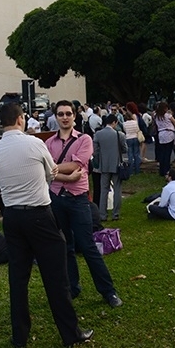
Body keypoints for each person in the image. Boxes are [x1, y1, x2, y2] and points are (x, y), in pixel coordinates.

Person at [0, 102, 94, 348]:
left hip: (12, 218)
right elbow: (51, 173)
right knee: (56, 277)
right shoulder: (35, 143)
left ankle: (20, 337)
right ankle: (70, 333)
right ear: (21, 119)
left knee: (18, 279)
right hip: (39, 214)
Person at [47, 100, 123, 307]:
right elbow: (48, 171)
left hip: (78, 200)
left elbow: (76, 165)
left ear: (74, 116)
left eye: (68, 114)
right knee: (65, 247)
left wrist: (54, 170)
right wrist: (65, 175)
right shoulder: (49, 143)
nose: (64, 117)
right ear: (55, 117)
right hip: (56, 199)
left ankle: (109, 292)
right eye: (60, 114)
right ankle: (73, 288)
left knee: (88, 246)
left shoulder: (84, 139)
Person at [93, 114, 127, 221]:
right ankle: (115, 214)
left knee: (104, 190)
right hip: (116, 164)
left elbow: (95, 151)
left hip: (103, 166)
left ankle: (102, 214)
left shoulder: (98, 134)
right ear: (115, 122)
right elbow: (125, 149)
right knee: (117, 189)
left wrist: (98, 162)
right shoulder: (119, 134)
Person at [153, 101, 175, 176]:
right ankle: (166, 169)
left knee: (162, 153)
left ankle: (161, 169)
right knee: (168, 152)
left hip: (161, 134)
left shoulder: (156, 115)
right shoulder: (168, 115)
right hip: (169, 133)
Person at [122, 111, 141, 175]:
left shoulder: (124, 124)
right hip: (135, 137)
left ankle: (130, 171)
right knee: (136, 154)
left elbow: (125, 130)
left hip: (128, 138)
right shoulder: (135, 122)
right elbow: (137, 129)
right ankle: (137, 170)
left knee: (130, 155)